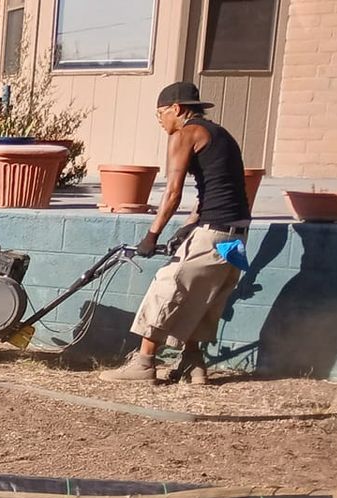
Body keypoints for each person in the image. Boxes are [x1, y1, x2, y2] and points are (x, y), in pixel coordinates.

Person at [99, 82, 251, 384]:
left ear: (177, 109)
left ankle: (144, 363)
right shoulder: (221, 135)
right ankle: (193, 363)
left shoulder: (185, 134)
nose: (160, 121)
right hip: (236, 238)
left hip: (213, 234)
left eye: (160, 114)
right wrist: (187, 227)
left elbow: (172, 193)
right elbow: (214, 192)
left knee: (167, 287)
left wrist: (152, 235)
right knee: (203, 297)